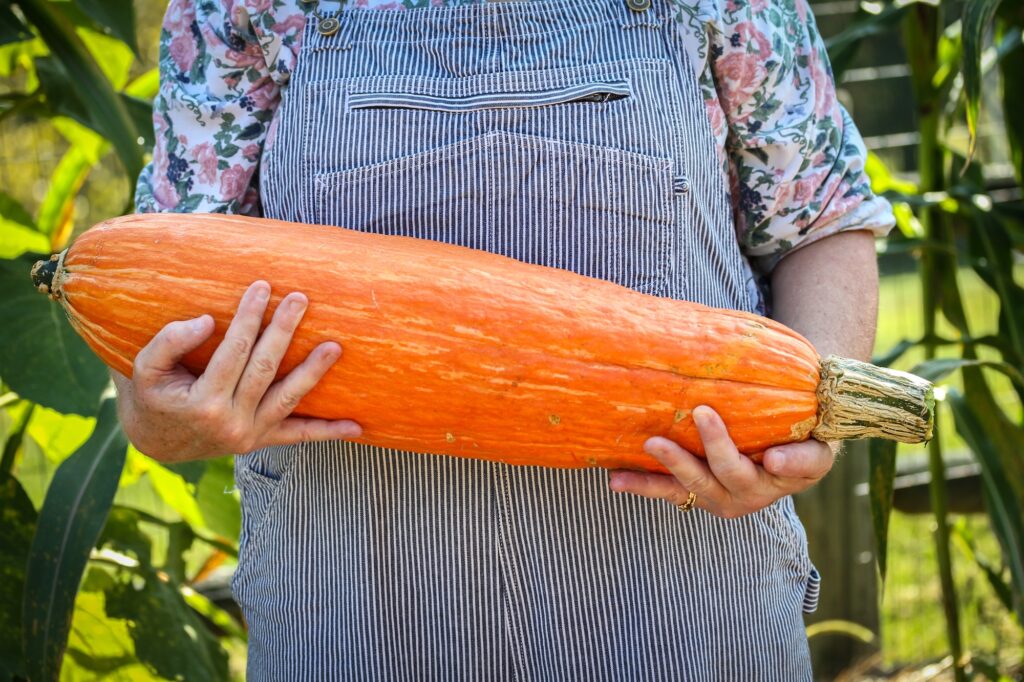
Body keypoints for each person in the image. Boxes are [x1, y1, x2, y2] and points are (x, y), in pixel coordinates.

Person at [115, 0, 894, 678]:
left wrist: (812, 416)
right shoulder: (238, 5)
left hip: (692, 606)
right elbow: (166, 287)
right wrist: (160, 418)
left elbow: (821, 224)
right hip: (351, 615)